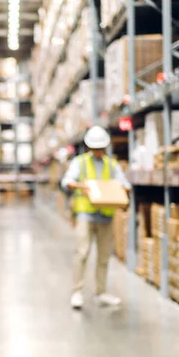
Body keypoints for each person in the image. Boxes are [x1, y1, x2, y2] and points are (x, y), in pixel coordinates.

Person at [61, 126, 131, 309]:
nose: (98, 151)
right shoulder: (80, 162)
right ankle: (77, 292)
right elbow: (66, 181)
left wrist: (124, 188)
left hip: (106, 216)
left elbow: (124, 182)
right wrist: (78, 185)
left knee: (104, 256)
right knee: (82, 252)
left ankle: (101, 292)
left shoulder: (111, 164)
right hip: (86, 214)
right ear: (88, 147)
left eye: (101, 148)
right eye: (95, 148)